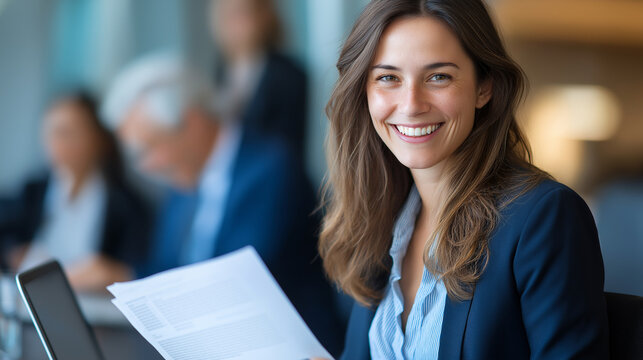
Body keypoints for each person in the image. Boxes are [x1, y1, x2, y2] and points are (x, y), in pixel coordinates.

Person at [318, 0, 609, 359]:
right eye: (388, 78)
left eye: (439, 76)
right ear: (365, 91)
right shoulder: (379, 220)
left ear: (484, 86)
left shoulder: (544, 217)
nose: (411, 104)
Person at [101, 55, 343, 355]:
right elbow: (172, 266)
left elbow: (235, 283)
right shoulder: (184, 184)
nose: (145, 167)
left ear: (192, 122)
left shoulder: (271, 170)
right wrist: (120, 276)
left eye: (148, 149)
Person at [0, 92, 150, 292]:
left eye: (68, 132)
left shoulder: (128, 207)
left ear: (98, 137)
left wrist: (110, 273)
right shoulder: (29, 192)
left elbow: (136, 270)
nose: (58, 143)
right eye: (52, 132)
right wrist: (13, 253)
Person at [209, 0, 307, 157]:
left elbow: (286, 145)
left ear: (263, 16)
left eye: (242, 13)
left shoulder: (289, 74)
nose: (234, 22)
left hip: (275, 174)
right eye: (229, 14)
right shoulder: (220, 70)